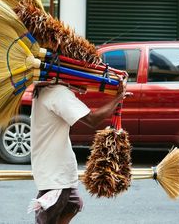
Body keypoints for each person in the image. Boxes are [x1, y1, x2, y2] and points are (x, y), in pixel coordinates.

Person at [29, 78, 126, 224]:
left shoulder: (43, 89)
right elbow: (92, 119)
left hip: (56, 174)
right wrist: (119, 97)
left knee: (74, 204)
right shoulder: (58, 93)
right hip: (56, 178)